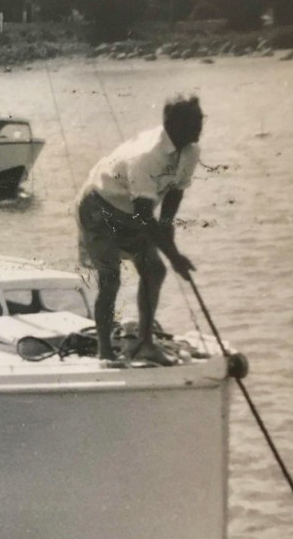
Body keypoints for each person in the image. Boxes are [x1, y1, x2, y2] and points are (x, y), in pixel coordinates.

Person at [76, 95, 204, 365]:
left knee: (154, 270)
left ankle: (145, 344)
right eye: (193, 122)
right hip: (100, 205)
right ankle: (104, 351)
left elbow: (175, 191)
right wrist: (175, 256)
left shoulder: (191, 150)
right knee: (110, 278)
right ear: (172, 124)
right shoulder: (147, 156)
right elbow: (144, 216)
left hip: (131, 210)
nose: (199, 127)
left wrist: (167, 226)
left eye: (200, 119)